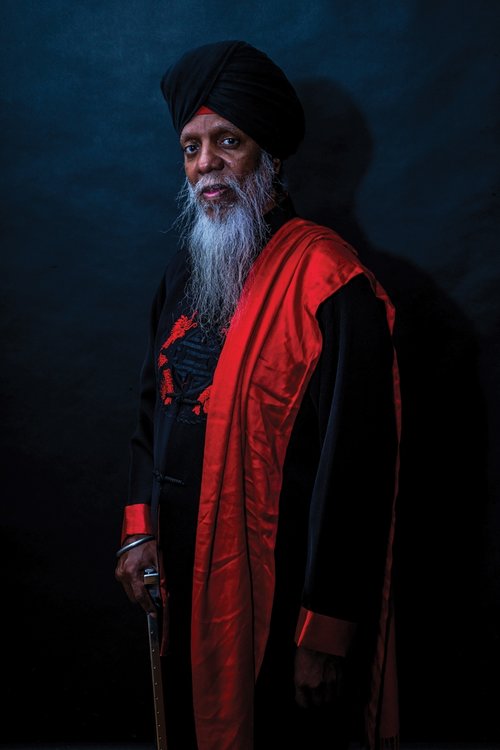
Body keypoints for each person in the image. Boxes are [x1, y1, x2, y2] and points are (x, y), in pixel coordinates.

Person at [115, 40, 401, 750]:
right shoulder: (186, 271)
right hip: (179, 583)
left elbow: (355, 469)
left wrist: (326, 631)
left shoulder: (330, 281)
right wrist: (138, 531)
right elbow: (153, 409)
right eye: (191, 147)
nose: (205, 163)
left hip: (278, 598)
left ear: (268, 155)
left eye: (228, 141)